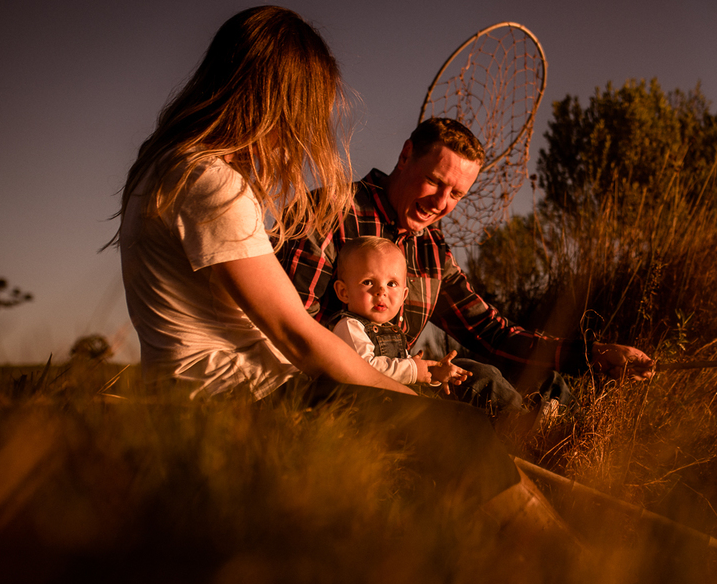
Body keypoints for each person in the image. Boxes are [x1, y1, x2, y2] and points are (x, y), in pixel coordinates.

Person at [111, 7, 541, 518]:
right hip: (238, 397)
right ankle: (558, 558)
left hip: (233, 390)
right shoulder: (210, 181)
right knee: (455, 432)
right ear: (273, 97)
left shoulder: (172, 169)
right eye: (308, 107)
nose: (305, 129)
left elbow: (484, 328)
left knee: (461, 429)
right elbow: (297, 333)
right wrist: (408, 399)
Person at [280, 117, 654, 413]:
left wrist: (592, 353)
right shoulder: (329, 212)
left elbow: (491, 333)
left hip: (403, 384)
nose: (441, 204)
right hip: (331, 392)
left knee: (537, 380)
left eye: (456, 194)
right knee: (481, 378)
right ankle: (521, 440)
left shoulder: (431, 250)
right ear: (406, 156)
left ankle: (563, 443)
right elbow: (291, 329)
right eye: (434, 181)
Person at [332, 236, 468, 391]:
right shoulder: (349, 327)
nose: (381, 291)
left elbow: (401, 369)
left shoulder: (393, 331)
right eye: (368, 282)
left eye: (391, 284)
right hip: (360, 401)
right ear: (344, 292)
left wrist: (432, 372)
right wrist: (412, 369)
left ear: (404, 296)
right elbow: (364, 369)